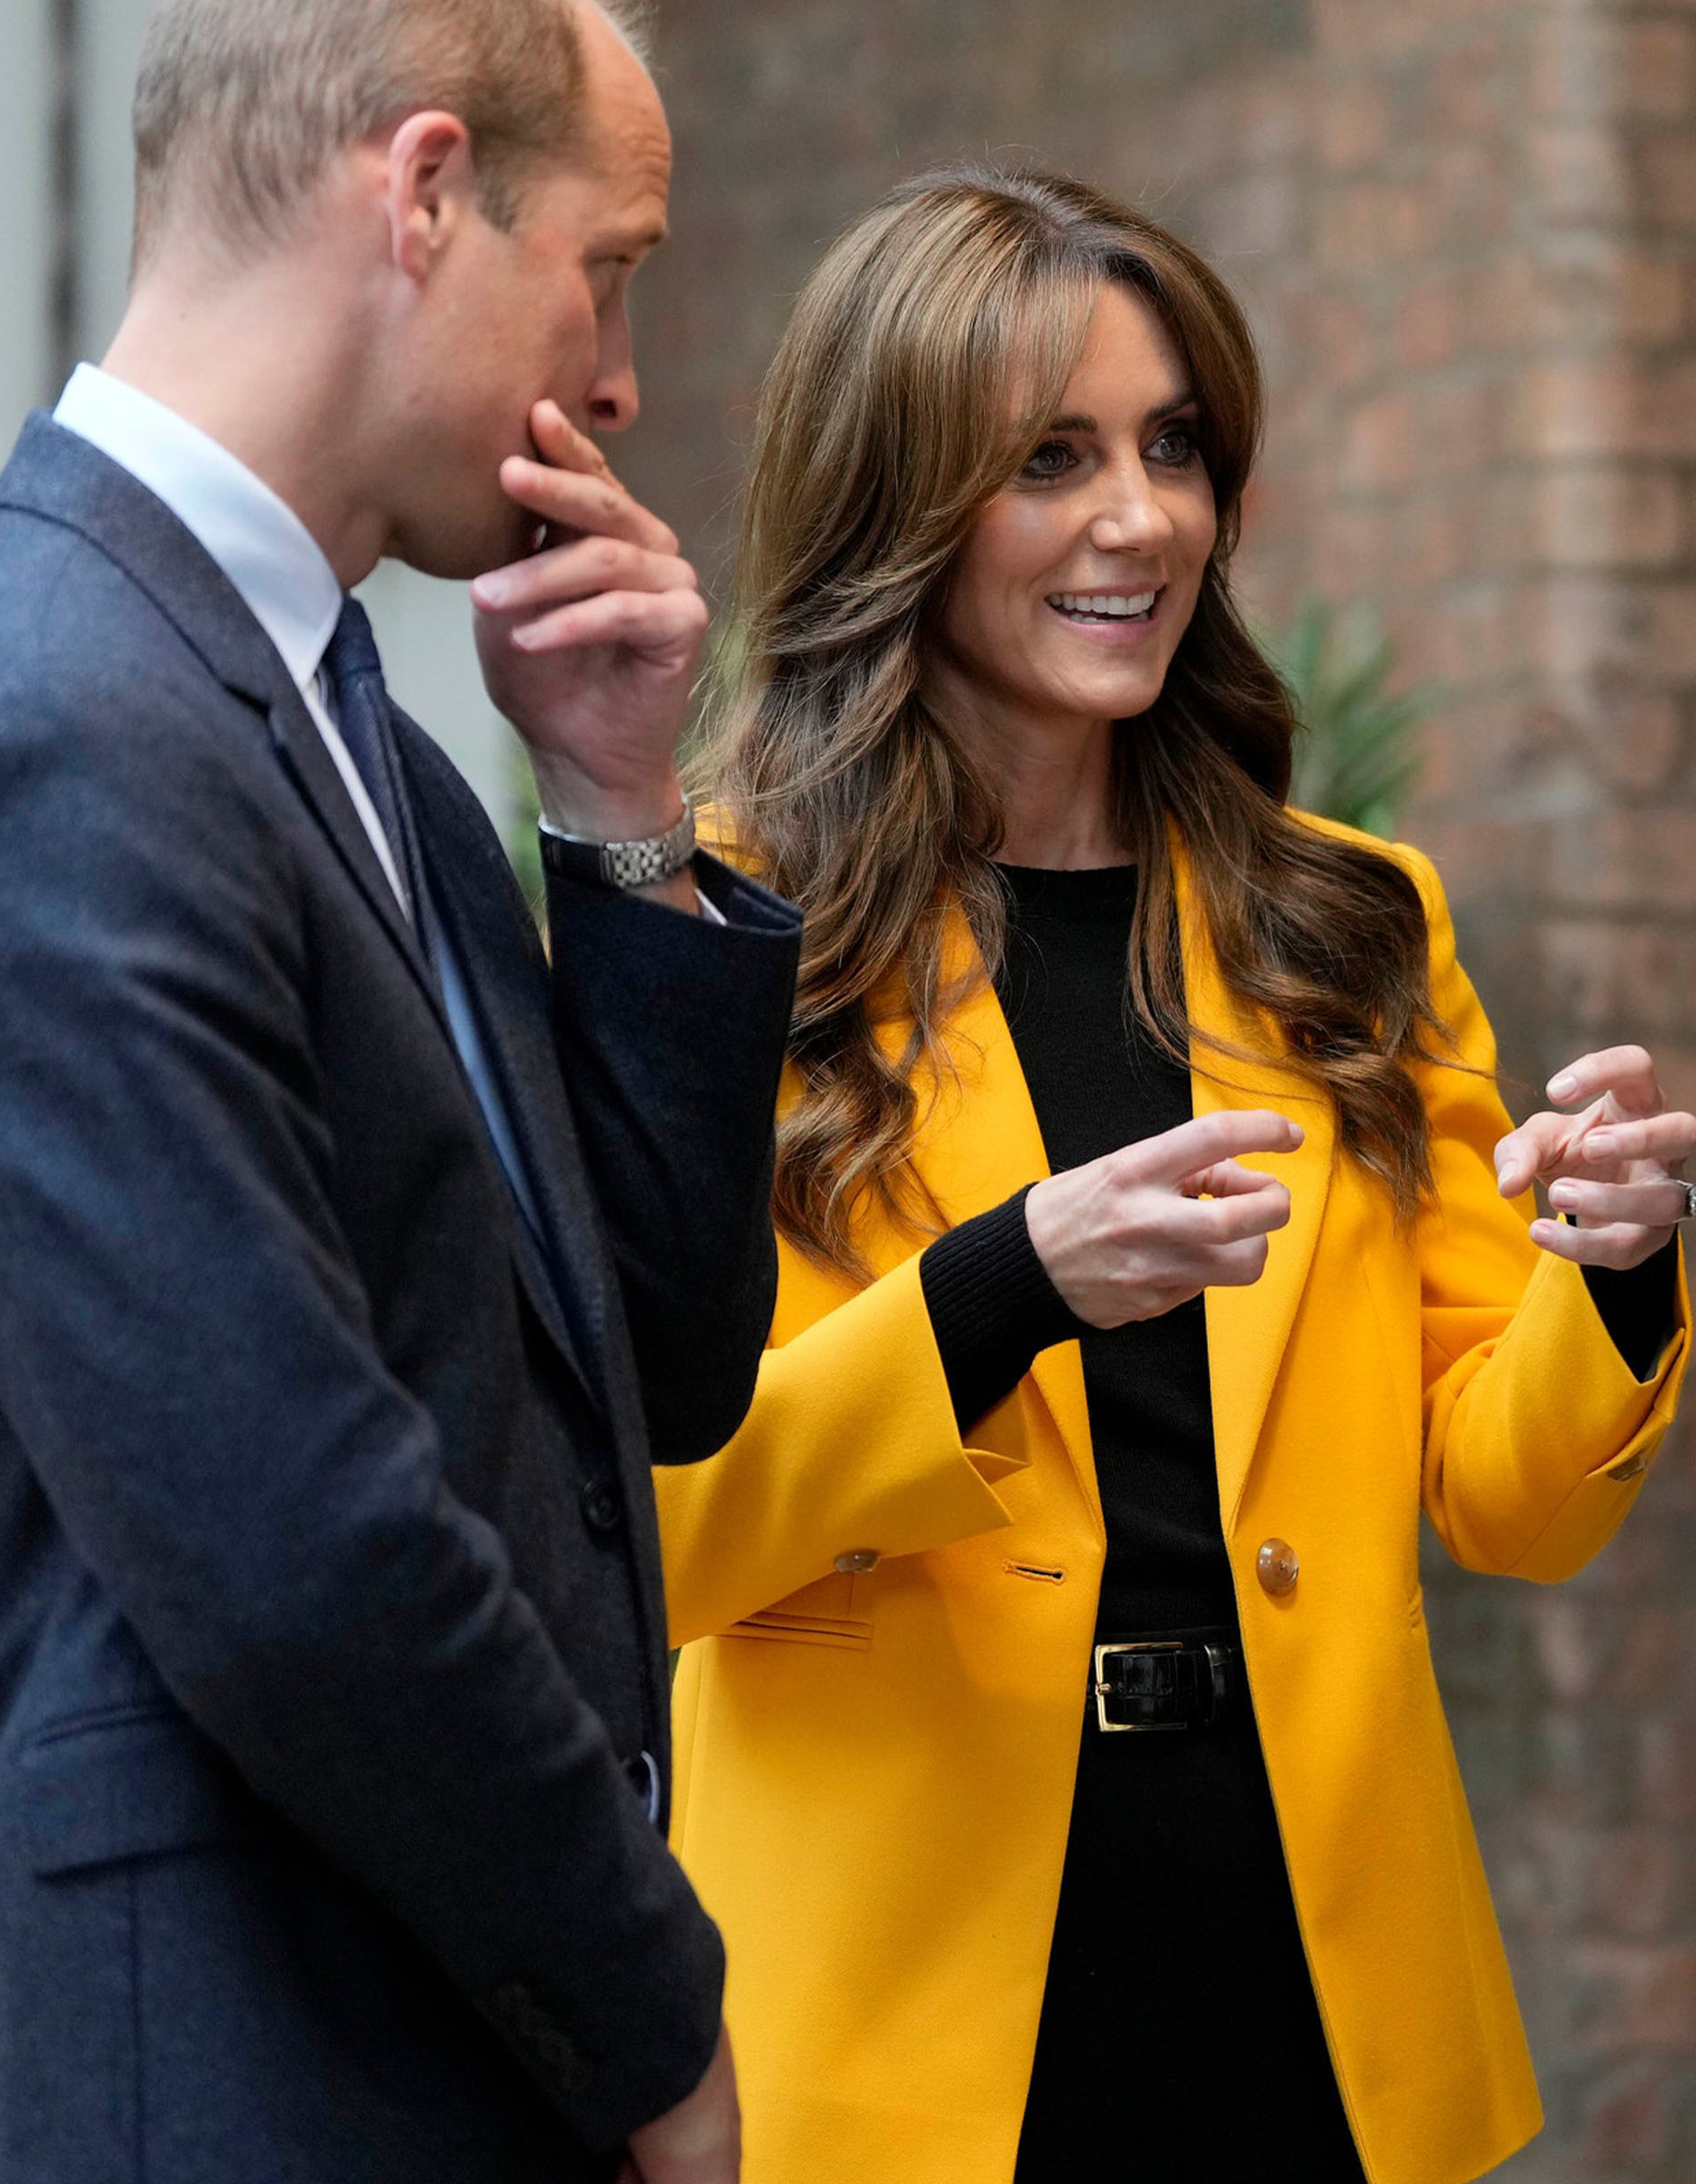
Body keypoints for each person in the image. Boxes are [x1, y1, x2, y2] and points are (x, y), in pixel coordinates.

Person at [0, 0, 798, 2182]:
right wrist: (648, 2016)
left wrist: (617, 813)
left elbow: (650, 1379)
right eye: (608, 270)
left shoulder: (360, 736)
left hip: (387, 2036)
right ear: (427, 189)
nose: (622, 379)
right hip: (217, 2065)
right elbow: (295, 1541)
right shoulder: (47, 724)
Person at [653, 167, 1691, 2184]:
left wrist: (1617, 1265)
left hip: (1308, 1987)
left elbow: (1511, 1500)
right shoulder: (718, 932)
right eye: (1050, 458)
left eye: (1174, 446)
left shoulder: (1350, 922)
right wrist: (1005, 1285)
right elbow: (661, 1530)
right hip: (895, 2022)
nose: (1140, 517)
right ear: (898, 499)